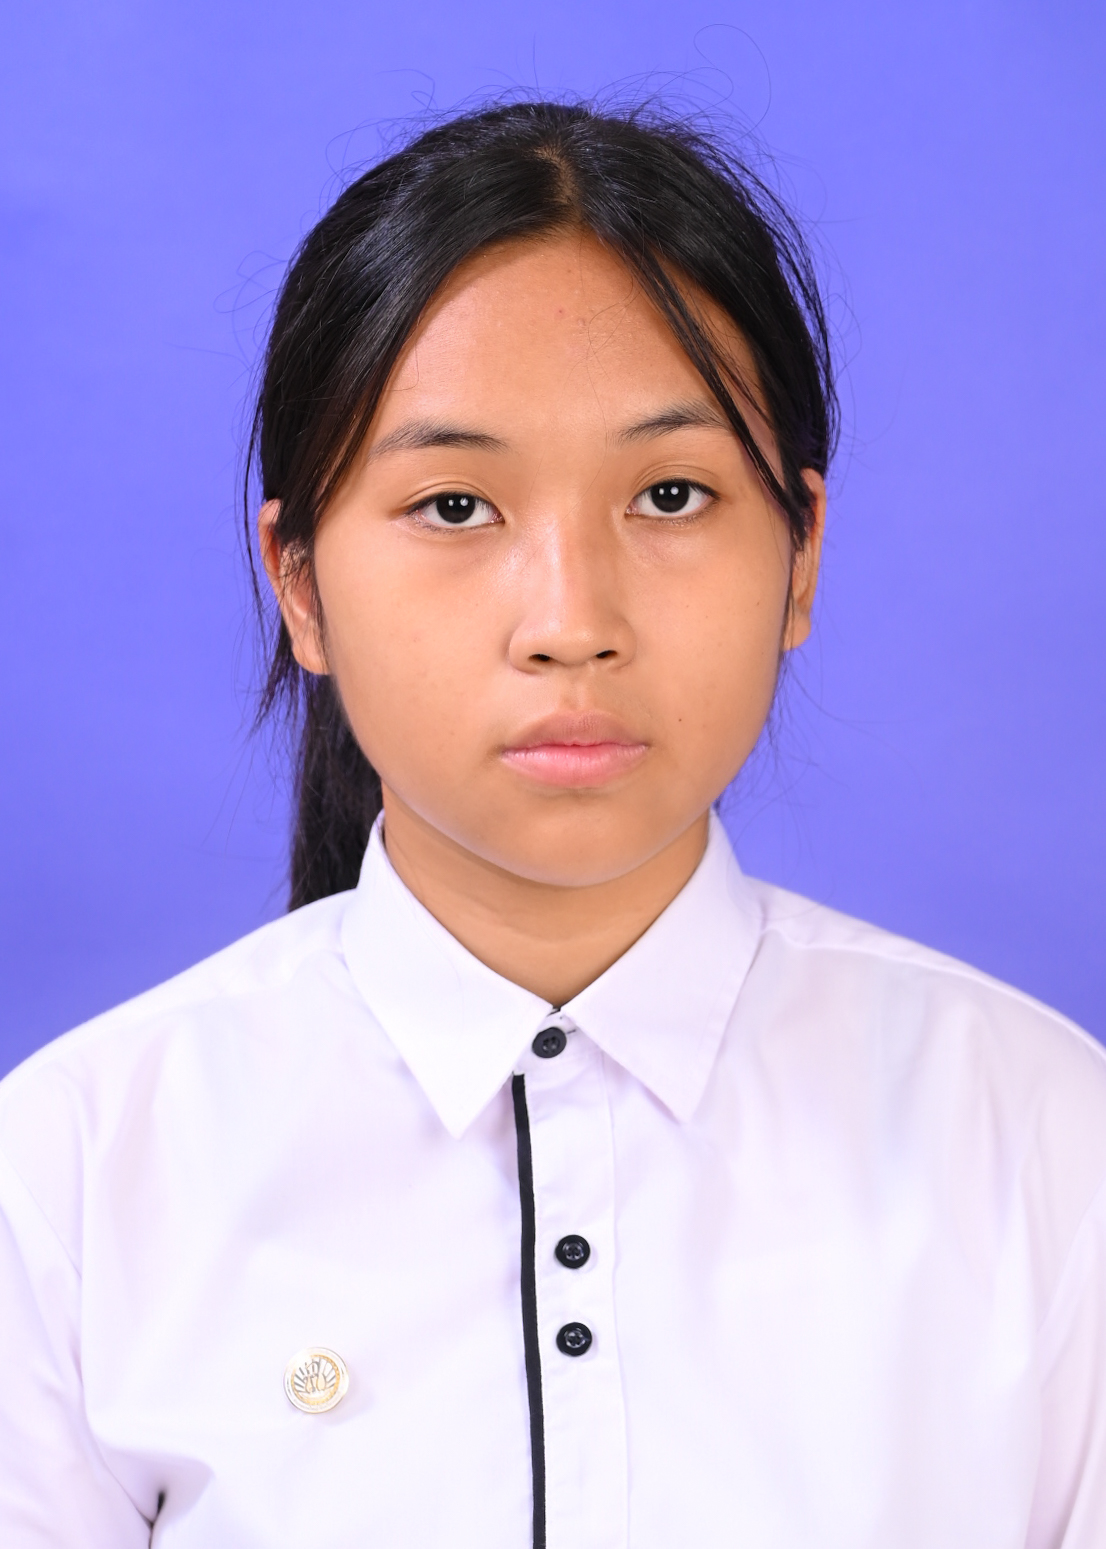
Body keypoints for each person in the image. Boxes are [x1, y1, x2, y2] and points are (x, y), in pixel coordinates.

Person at [0, 100, 1103, 1549]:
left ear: (801, 556)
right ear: (300, 582)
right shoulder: (73, 1178)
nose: (571, 620)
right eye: (456, 505)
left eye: (670, 493)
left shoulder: (1042, 1139)